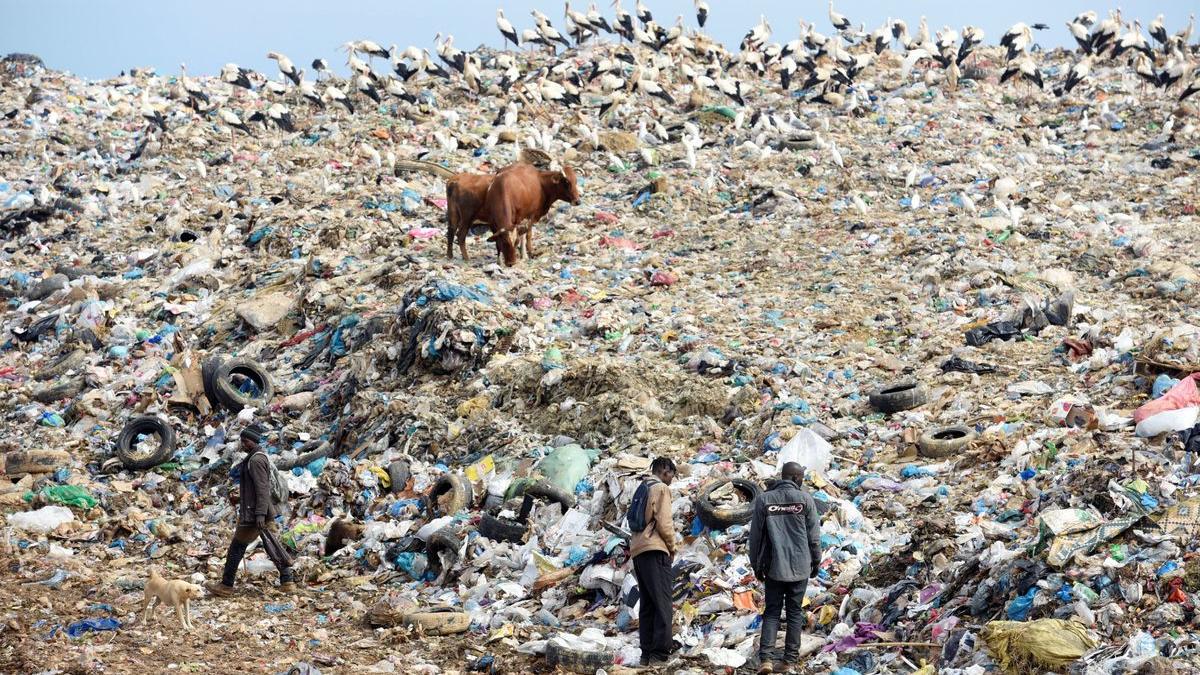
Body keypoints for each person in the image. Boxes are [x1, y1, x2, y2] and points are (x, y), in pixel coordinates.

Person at [748, 462, 822, 674]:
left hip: (773, 567)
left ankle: (767, 660)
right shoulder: (805, 499)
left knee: (771, 612)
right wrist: (815, 562)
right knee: (794, 612)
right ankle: (789, 660)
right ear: (796, 478)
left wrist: (756, 565)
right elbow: (814, 538)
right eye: (801, 478)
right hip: (800, 566)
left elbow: (755, 538)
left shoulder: (764, 500)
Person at [207, 425, 295, 596]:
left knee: (237, 547)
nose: (243, 444)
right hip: (257, 511)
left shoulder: (255, 461)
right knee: (271, 545)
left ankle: (226, 585)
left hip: (255, 513)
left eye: (245, 441)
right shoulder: (257, 458)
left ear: (252, 441)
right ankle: (287, 580)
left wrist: (260, 514)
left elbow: (262, 489)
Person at [629, 456, 678, 667]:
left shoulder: (643, 486)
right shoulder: (660, 489)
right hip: (655, 549)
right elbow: (664, 522)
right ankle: (659, 654)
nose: (671, 481)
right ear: (665, 471)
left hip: (638, 550)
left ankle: (646, 654)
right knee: (663, 602)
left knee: (648, 603)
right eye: (671, 476)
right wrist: (672, 547)